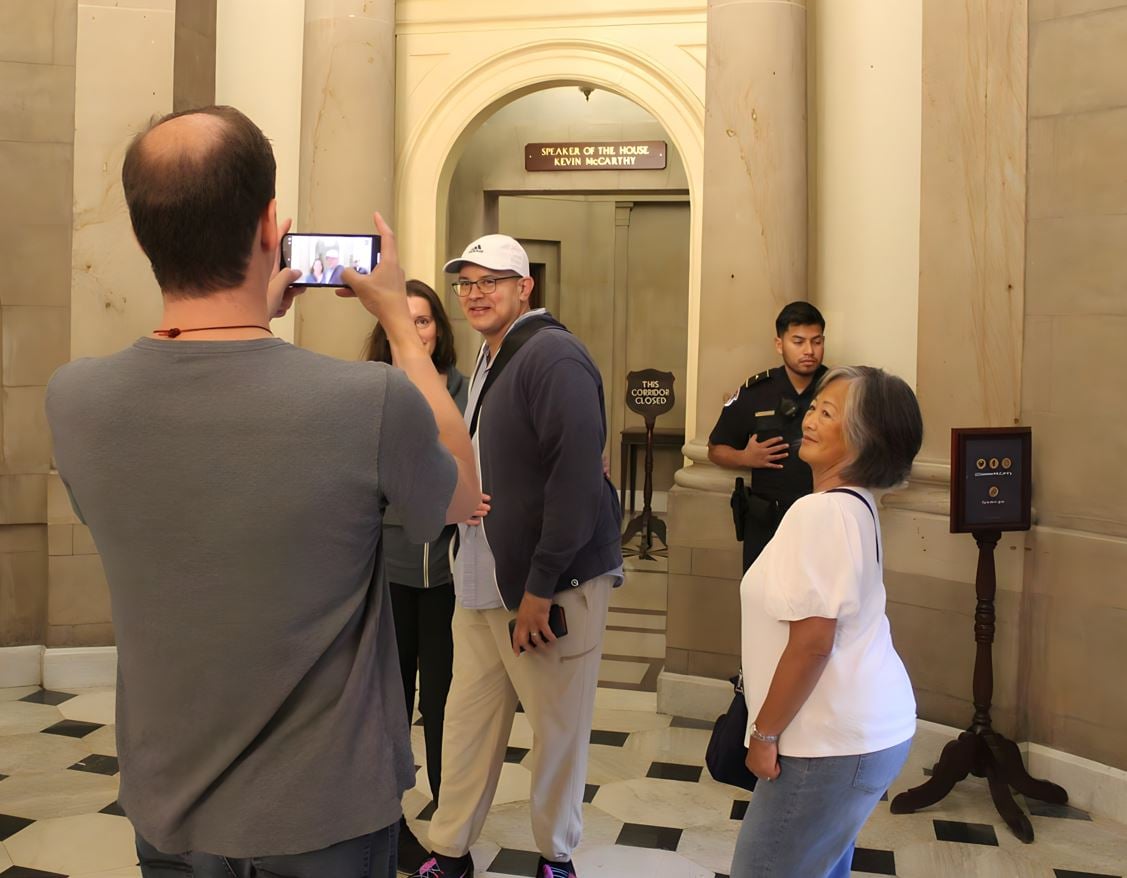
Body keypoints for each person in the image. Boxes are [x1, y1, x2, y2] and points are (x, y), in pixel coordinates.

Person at [44, 105, 480, 876]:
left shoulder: (76, 401)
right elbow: (458, 497)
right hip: (323, 813)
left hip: (168, 802)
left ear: (145, 234)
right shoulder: (364, 400)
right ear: (270, 227)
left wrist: (251, 325)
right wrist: (404, 330)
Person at [411, 234, 623, 878]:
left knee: (556, 735)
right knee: (465, 725)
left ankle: (556, 858)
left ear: (524, 286)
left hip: (546, 591)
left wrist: (540, 587)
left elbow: (576, 481)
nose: (476, 293)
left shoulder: (553, 356)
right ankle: (449, 853)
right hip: (480, 583)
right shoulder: (489, 355)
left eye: (491, 281)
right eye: (466, 283)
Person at [732, 365, 922, 878]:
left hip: (827, 742)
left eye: (829, 413)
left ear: (865, 439)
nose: (811, 418)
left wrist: (764, 735)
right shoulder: (853, 505)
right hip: (862, 734)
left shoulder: (820, 514)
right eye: (815, 407)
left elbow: (814, 642)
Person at [363, 279, 468, 873]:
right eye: (405, 321)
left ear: (438, 329)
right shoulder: (374, 390)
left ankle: (450, 827)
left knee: (449, 706)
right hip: (391, 571)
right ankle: (390, 821)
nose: (417, 331)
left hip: (452, 577)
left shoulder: (462, 389)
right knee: (391, 703)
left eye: (425, 320)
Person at [708, 301, 828, 572]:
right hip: (767, 525)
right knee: (761, 603)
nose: (809, 351)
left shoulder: (839, 390)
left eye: (816, 341)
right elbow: (715, 449)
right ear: (779, 344)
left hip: (822, 521)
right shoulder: (755, 393)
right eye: (798, 341)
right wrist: (744, 457)